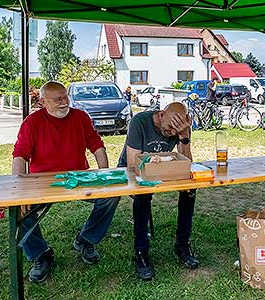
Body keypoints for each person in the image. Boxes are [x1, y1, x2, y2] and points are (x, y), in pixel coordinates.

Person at [12, 81, 119, 283]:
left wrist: (104, 175)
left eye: (65, 97)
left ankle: (86, 239)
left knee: (111, 196)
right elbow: (20, 155)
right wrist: (19, 190)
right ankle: (40, 254)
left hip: (79, 177)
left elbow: (96, 145)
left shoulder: (80, 117)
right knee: (19, 208)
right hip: (42, 181)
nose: (64, 102)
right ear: (43, 101)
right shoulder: (32, 122)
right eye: (58, 99)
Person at [117, 102, 198, 281]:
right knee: (143, 193)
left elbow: (187, 161)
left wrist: (184, 136)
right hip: (132, 170)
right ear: (161, 115)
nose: (171, 134)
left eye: (175, 132)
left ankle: (182, 245)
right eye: (169, 129)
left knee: (190, 188)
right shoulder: (140, 122)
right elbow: (132, 164)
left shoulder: (181, 127)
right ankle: (141, 252)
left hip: (162, 168)